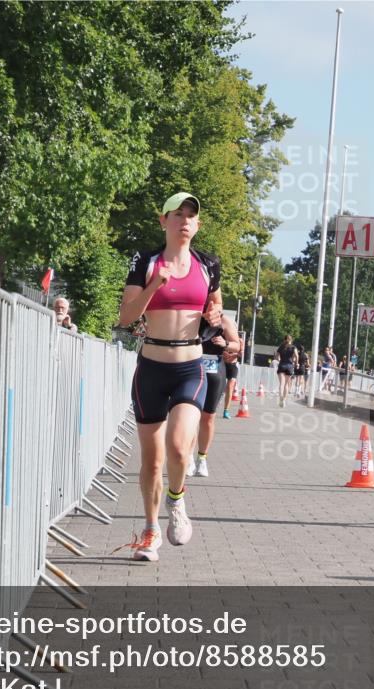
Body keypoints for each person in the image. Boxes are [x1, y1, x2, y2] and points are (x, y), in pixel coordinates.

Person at [117, 192, 222, 561]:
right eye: (177, 214)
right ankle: (150, 530)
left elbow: (216, 308)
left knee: (180, 448)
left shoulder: (208, 264)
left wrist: (217, 320)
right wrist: (154, 286)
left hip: (190, 367)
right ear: (164, 221)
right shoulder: (145, 261)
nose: (185, 221)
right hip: (151, 368)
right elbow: (127, 317)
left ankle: (176, 502)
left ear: (198, 225)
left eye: (191, 216)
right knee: (153, 460)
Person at [188, 313, 241, 476]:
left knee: (208, 417)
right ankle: (188, 457)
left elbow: (237, 345)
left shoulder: (224, 320)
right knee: (189, 415)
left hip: (215, 369)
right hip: (191, 367)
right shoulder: (191, 315)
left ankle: (202, 458)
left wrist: (225, 343)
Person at [275, 335, 297, 407]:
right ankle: (284, 400)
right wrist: (296, 362)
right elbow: (296, 356)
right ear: (291, 340)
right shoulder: (293, 347)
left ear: (284, 340)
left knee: (281, 383)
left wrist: (279, 359)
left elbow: (277, 355)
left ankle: (281, 397)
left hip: (282, 365)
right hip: (289, 366)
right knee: (286, 385)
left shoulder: (281, 347)